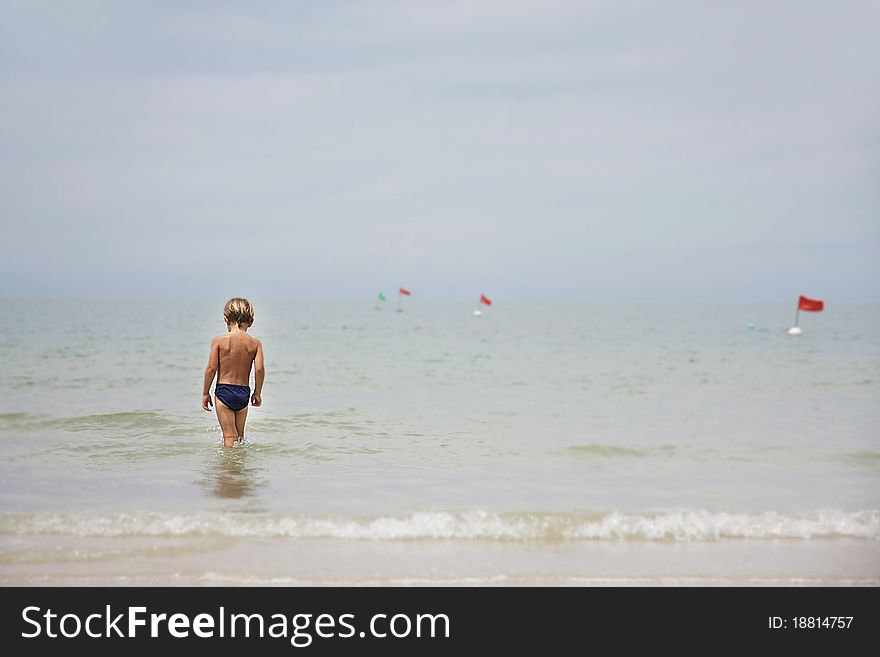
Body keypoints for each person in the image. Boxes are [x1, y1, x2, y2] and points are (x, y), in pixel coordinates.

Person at [202, 298, 265, 447]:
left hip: (224, 391)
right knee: (240, 437)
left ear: (226, 318)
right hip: (243, 392)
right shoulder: (255, 344)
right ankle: (240, 468)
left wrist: (206, 393)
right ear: (250, 322)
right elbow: (259, 369)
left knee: (229, 437)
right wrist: (257, 393)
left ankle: (229, 470)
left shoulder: (219, 341)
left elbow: (211, 368)